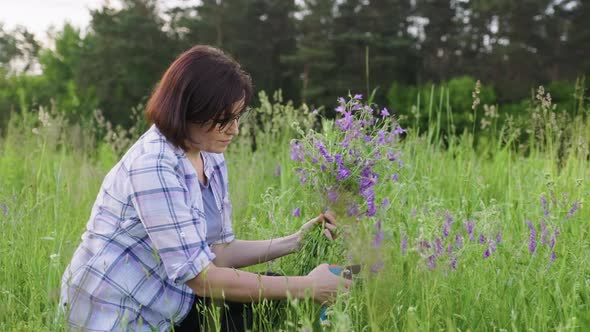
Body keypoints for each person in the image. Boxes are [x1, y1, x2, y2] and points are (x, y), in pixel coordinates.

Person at [60, 45, 351, 331]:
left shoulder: (209, 155)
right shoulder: (154, 165)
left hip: (171, 300)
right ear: (188, 109)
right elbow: (201, 278)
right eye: (224, 120)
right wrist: (308, 286)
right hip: (123, 315)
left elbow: (219, 253)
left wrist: (294, 241)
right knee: (282, 295)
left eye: (238, 117)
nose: (234, 130)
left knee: (274, 300)